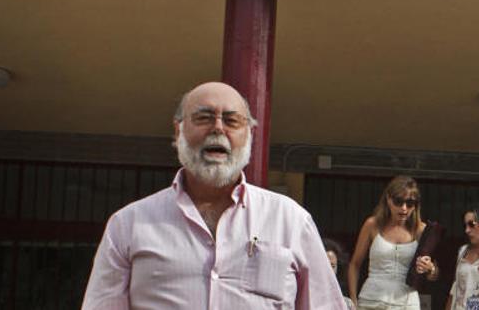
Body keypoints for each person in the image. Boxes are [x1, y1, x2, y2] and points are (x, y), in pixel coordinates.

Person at [82, 81, 346, 309]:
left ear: (250, 135)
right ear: (178, 131)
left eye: (231, 120)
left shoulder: (292, 222)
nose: (218, 128)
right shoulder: (128, 225)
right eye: (204, 118)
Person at [348, 175, 439, 309]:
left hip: (406, 303)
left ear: (416, 205)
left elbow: (433, 275)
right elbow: (355, 264)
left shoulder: (421, 230)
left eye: (410, 203)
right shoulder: (372, 224)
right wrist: (353, 300)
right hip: (371, 301)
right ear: (388, 199)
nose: (404, 208)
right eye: (398, 201)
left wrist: (430, 268)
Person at [327, 238, 357, 310]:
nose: (329, 270)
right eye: (325, 265)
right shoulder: (306, 300)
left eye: (333, 266)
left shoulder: (347, 304)